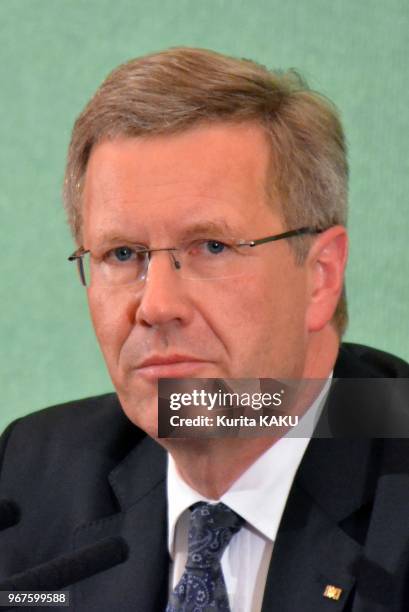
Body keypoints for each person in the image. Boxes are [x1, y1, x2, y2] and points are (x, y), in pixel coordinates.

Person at [0, 47, 408, 612]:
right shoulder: (32, 475)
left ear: (320, 276)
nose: (157, 305)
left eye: (212, 247)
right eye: (123, 253)